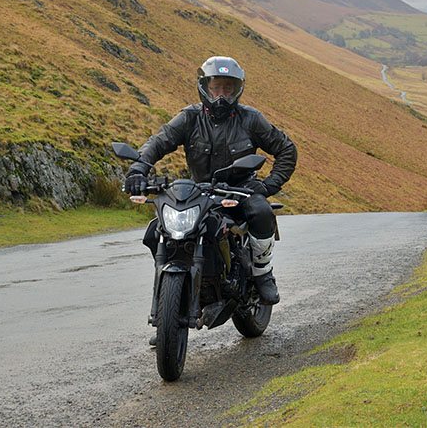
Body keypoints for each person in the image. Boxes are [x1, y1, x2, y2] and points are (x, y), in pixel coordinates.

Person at [124, 56, 297, 307]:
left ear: (238, 89)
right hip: (199, 192)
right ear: (204, 87)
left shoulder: (251, 119)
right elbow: (159, 141)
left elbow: (286, 149)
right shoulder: (189, 118)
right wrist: (138, 170)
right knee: (156, 232)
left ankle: (262, 272)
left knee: (261, 211)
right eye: (216, 88)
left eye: (228, 88)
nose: (221, 96)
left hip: (241, 191)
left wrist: (268, 185)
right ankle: (166, 307)